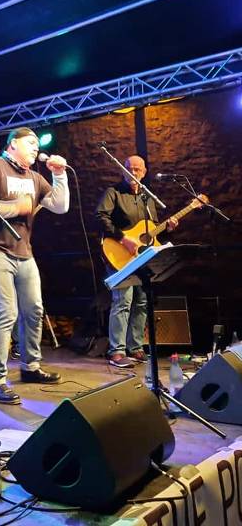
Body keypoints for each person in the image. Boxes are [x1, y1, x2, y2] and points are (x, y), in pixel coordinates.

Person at [0, 127, 69, 404]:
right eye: (30, 142)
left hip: (23, 252)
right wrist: (17, 207)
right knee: (6, 312)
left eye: (37, 143)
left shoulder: (35, 177)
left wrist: (59, 175)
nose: (36, 147)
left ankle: (30, 367)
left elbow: (60, 206)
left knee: (34, 309)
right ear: (13, 144)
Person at [96, 155, 177, 368]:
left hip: (142, 257)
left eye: (137, 169)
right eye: (129, 168)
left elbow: (151, 232)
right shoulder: (113, 192)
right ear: (122, 170)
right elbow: (100, 217)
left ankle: (135, 347)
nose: (133, 173)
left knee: (141, 301)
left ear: (144, 172)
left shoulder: (147, 198)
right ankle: (117, 351)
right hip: (118, 252)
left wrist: (167, 229)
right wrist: (123, 239)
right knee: (123, 301)